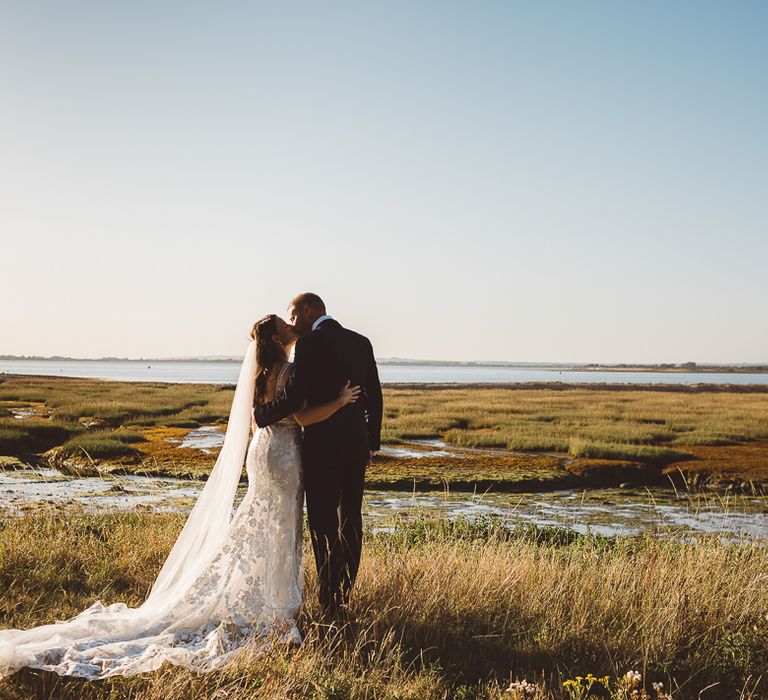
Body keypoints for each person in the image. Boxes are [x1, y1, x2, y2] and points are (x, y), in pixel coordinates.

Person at [0, 315, 359, 679]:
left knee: (259, 522)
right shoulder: (288, 372)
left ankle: (265, 599)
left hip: (261, 452)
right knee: (281, 528)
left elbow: (255, 418)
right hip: (283, 457)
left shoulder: (260, 374)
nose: (291, 325)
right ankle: (277, 605)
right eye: (286, 323)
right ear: (279, 336)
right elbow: (303, 417)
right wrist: (341, 401)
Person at [254, 292, 383, 619]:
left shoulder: (309, 345)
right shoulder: (361, 341)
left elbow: (295, 398)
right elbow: (375, 395)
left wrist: (261, 416)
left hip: (322, 448)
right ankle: (343, 591)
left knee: (323, 523)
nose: (292, 324)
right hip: (355, 445)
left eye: (293, 316)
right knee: (351, 518)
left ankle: (329, 596)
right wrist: (372, 443)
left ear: (308, 311)